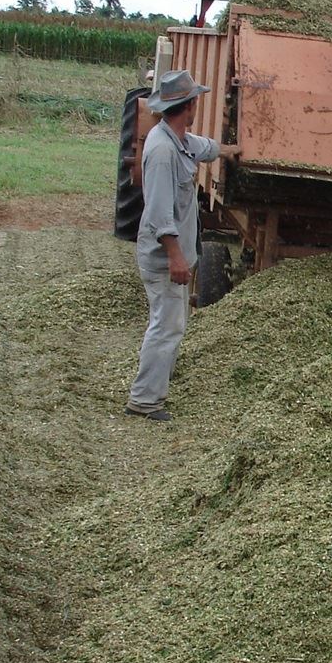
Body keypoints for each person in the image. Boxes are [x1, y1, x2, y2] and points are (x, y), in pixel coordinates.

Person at [125, 70, 239, 421]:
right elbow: (160, 214)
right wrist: (176, 257)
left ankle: (158, 381)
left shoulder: (178, 140)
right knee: (167, 325)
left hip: (177, 256)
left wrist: (232, 150)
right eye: (194, 103)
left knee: (169, 323)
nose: (195, 108)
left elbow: (202, 147)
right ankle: (144, 401)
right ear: (186, 106)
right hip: (164, 258)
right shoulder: (161, 152)